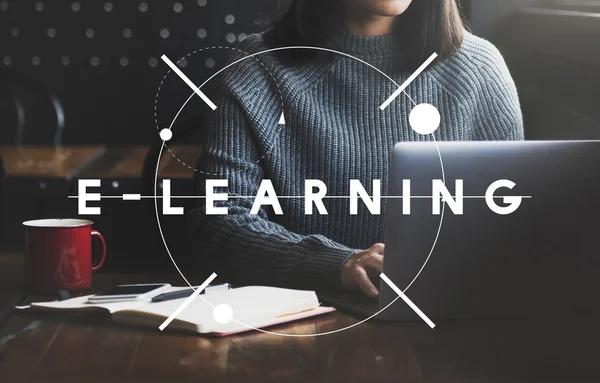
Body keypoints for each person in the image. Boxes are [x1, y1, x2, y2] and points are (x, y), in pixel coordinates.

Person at [192, 0, 524, 298]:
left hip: (446, 318)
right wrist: (339, 264)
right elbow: (220, 224)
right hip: (295, 321)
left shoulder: (480, 68)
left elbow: (514, 223)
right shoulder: (255, 67)